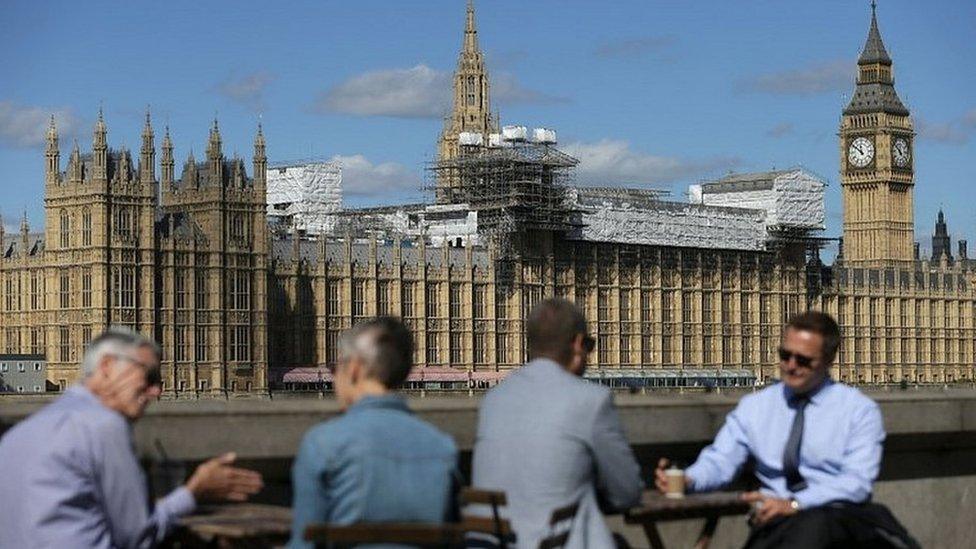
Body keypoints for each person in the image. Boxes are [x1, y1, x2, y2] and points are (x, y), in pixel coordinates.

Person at [655, 311, 918, 549]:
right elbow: (720, 460)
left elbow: (856, 483)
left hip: (838, 520)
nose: (791, 366)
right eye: (785, 355)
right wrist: (688, 479)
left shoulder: (858, 410)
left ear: (827, 360)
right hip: (775, 523)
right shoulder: (756, 406)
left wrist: (794, 503)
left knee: (813, 527)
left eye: (803, 360)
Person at [0, 328, 264, 549]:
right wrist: (194, 492)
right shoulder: (104, 426)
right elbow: (138, 534)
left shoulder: (29, 427)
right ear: (106, 367)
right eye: (149, 376)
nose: (156, 390)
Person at [471, 298, 643, 549]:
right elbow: (627, 492)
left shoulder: (493, 400)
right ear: (577, 344)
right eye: (589, 345)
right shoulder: (591, 400)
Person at [288, 316, 459, 548]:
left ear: (355, 368)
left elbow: (304, 544)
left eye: (335, 367)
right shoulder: (443, 447)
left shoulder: (322, 444)